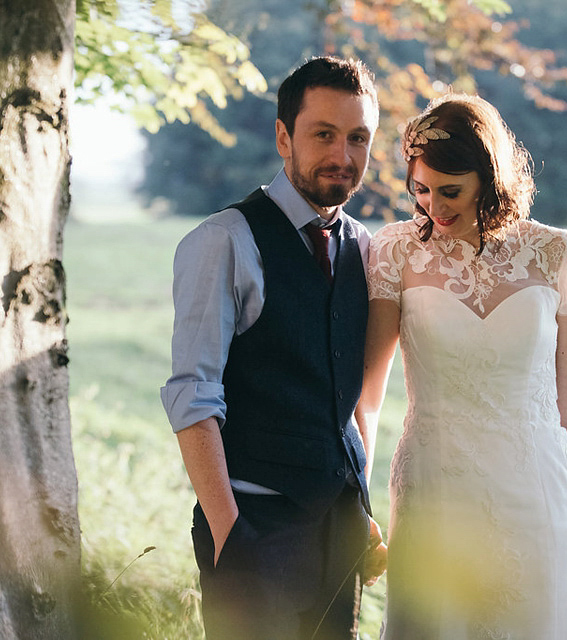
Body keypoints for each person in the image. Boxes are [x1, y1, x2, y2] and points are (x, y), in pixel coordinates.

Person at [356, 94, 567, 638]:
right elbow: (368, 397)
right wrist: (355, 502)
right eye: (421, 190)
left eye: (450, 191)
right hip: (437, 493)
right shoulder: (396, 253)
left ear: (489, 176)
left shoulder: (556, 254)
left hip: (543, 497)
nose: (434, 207)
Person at [160, 56, 387, 640]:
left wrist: (359, 505)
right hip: (254, 527)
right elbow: (192, 395)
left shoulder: (363, 249)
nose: (343, 155)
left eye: (358, 137)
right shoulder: (223, 242)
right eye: (324, 134)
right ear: (284, 136)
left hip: (338, 529)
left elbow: (352, 391)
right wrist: (231, 535)